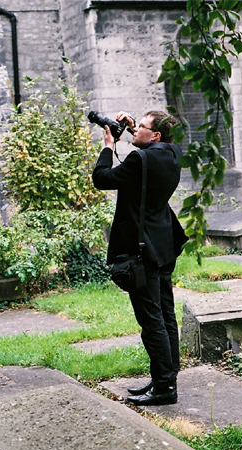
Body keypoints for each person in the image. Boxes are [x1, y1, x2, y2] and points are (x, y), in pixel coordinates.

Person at [92, 110, 188, 406]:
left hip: (141, 249)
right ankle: (165, 379)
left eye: (142, 127)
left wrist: (109, 146)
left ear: (156, 135)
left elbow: (102, 178)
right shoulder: (172, 153)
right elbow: (147, 153)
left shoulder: (139, 160)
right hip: (163, 245)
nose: (136, 131)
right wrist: (135, 129)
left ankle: (164, 388)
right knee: (166, 316)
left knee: (151, 320)